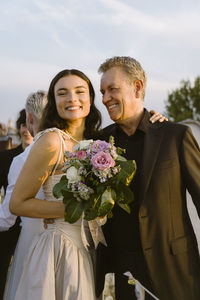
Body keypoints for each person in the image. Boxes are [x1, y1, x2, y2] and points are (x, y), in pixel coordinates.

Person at [9, 69, 164, 300]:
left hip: (86, 250)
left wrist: (154, 119)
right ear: (54, 101)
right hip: (57, 249)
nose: (72, 98)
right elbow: (17, 203)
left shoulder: (97, 141)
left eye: (80, 91)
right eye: (62, 93)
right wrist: (74, 209)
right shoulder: (52, 140)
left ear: (91, 98)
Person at [96, 56, 200, 300]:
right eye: (102, 92)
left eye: (112, 89)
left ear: (138, 87)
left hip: (175, 269)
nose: (105, 98)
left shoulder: (176, 136)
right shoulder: (98, 143)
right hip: (123, 273)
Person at [2, 90, 48, 299]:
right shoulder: (76, 151)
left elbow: (5, 219)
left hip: (32, 244)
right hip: (71, 248)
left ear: (29, 118)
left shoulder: (21, 160)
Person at [0, 109, 33, 300]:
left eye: (30, 125)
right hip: (8, 225)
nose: (26, 130)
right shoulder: (5, 157)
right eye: (23, 125)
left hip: (35, 227)